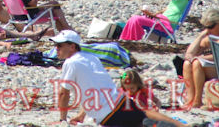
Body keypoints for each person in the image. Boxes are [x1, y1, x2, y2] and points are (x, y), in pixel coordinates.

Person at [52, 30, 187, 126]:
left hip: (109, 114)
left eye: (59, 45)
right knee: (143, 116)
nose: (56, 48)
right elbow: (95, 86)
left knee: (144, 120)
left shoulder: (71, 63)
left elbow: (64, 93)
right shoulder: (90, 58)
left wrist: (62, 120)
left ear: (72, 46)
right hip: (120, 100)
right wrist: (82, 115)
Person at [182, 9, 219, 108]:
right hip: (215, 67)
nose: (208, 29)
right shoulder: (210, 36)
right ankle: (190, 99)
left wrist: (200, 57)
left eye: (211, 26)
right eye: (206, 27)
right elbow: (189, 54)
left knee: (196, 62)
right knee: (187, 64)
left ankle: (197, 100)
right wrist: (201, 35)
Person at [119, 0, 194, 41]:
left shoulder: (185, 1)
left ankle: (133, 40)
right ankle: (125, 38)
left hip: (166, 26)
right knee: (134, 17)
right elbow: (165, 10)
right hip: (160, 21)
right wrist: (152, 14)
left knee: (137, 19)